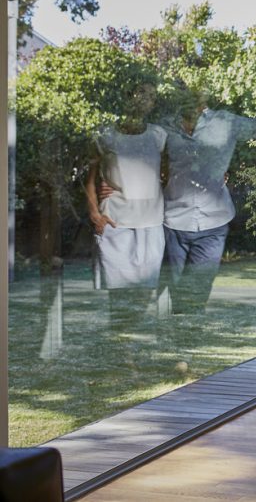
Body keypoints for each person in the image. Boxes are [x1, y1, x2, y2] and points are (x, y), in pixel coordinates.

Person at [160, 89, 256, 314]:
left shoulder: (225, 121)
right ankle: (184, 332)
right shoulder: (166, 126)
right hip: (174, 219)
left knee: (198, 292)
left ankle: (190, 333)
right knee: (177, 292)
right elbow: (149, 157)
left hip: (213, 220)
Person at [85, 82, 167, 328]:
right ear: (128, 97)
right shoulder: (105, 135)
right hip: (115, 222)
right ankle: (121, 349)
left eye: (151, 97)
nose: (145, 101)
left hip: (151, 222)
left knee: (144, 297)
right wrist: (94, 214)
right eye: (141, 94)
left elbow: (168, 174)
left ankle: (131, 351)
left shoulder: (158, 135)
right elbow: (88, 179)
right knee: (119, 298)